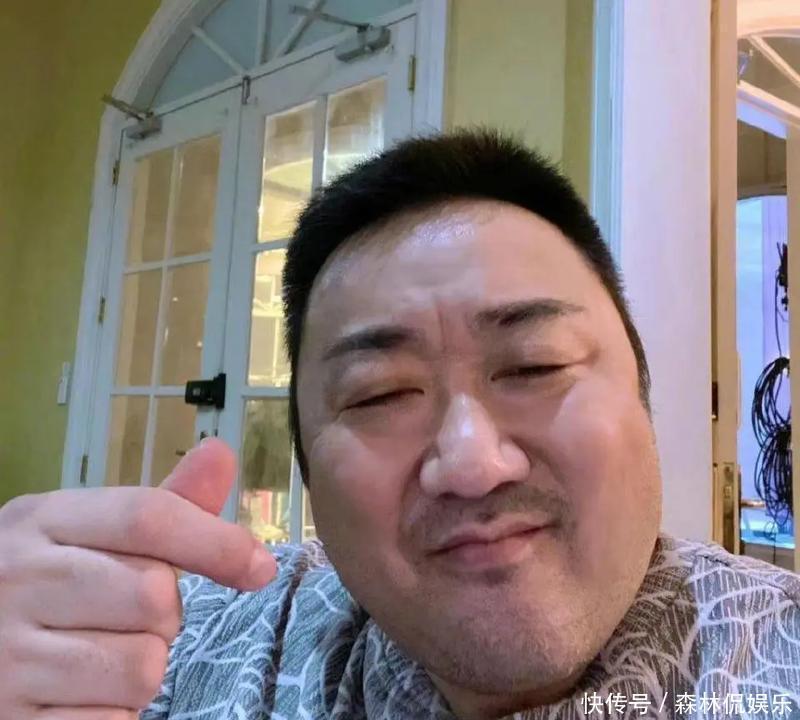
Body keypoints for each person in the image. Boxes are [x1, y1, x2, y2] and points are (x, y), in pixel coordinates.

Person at [1, 130, 798, 720]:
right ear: (309, 473)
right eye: (379, 395)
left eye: (534, 366)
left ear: (642, 399)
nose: (473, 462)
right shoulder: (154, 650)